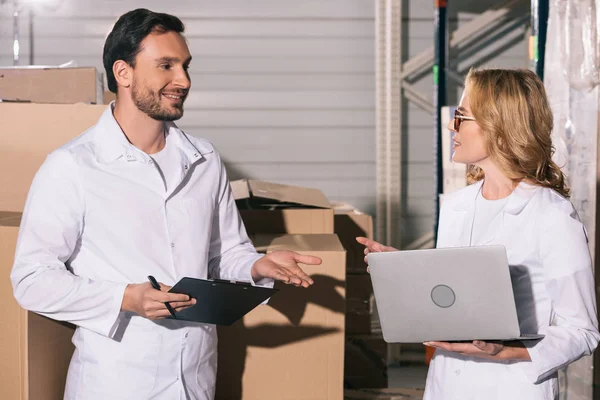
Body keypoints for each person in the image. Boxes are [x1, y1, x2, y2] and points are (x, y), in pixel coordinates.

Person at [10, 8, 321, 400]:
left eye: (186, 66)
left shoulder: (204, 159)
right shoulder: (73, 166)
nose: (184, 80)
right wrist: (126, 298)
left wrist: (256, 264)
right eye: (166, 66)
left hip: (195, 379)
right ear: (123, 73)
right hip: (116, 383)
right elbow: (32, 280)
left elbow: (223, 254)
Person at [357, 68, 599, 399]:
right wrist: (407, 270)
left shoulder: (551, 215)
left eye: (461, 117)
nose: (449, 126)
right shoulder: (457, 206)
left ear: (499, 128)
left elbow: (582, 331)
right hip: (447, 383)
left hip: (511, 387)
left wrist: (507, 352)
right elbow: (456, 298)